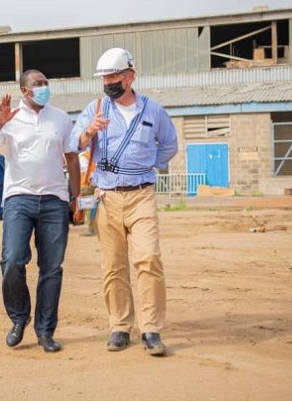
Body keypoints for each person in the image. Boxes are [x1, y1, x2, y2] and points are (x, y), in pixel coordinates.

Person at [70, 48, 178, 356]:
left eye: (113, 77)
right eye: (104, 78)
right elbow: (73, 143)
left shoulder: (153, 111)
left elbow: (170, 144)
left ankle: (151, 329)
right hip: (107, 197)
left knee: (149, 258)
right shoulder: (96, 108)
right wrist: (89, 131)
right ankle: (119, 326)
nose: (107, 83)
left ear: (130, 76)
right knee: (114, 265)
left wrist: (147, 164)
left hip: (141, 195)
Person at [0, 69, 80, 353]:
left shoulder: (60, 118)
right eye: (38, 83)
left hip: (54, 201)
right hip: (18, 199)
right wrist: (0, 122)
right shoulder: (9, 117)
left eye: (46, 82)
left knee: (51, 268)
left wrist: (76, 196)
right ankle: (19, 317)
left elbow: (72, 158)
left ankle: (45, 331)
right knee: (12, 260)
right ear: (25, 90)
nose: (44, 87)